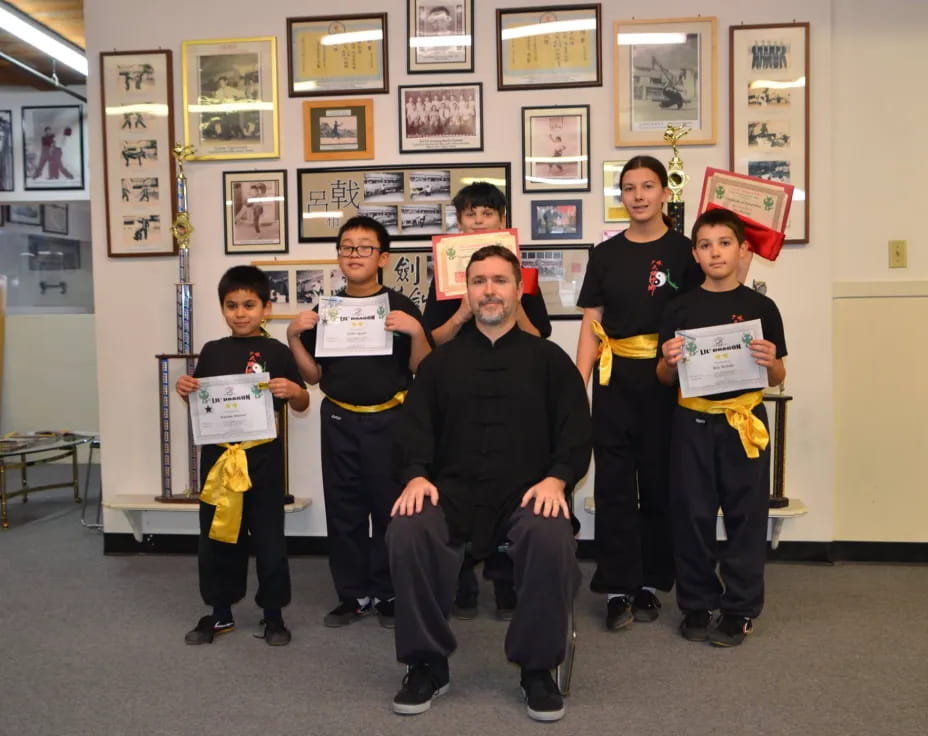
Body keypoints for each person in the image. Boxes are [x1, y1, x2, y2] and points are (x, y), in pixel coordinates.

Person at [387, 245, 591, 722]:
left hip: (527, 493)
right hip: (451, 493)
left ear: (518, 290)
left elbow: (576, 432)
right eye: (479, 281)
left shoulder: (550, 360)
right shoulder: (438, 364)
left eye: (500, 280)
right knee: (408, 528)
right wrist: (415, 476)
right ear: (468, 292)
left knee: (550, 535)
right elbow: (414, 431)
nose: (490, 290)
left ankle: (537, 668)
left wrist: (557, 480)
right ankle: (426, 664)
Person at [575, 156, 704, 631]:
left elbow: (705, 310)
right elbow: (591, 323)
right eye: (629, 188)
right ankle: (617, 588)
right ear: (621, 197)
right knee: (612, 485)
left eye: (648, 186)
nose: (638, 196)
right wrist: (579, 383)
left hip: (667, 382)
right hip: (614, 381)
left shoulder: (685, 251)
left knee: (658, 484)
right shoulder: (605, 254)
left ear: (665, 193)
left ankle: (650, 582)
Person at [287, 216, 431, 629]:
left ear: (382, 258)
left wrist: (416, 333)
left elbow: (422, 369)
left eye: (365, 247)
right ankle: (353, 595)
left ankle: (388, 592)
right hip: (338, 420)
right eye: (347, 247)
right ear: (339, 256)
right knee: (343, 508)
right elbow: (313, 377)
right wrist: (293, 337)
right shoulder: (325, 310)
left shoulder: (401, 307)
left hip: (391, 421)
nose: (354, 254)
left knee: (390, 508)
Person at [657, 207, 787, 647]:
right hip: (691, 423)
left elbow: (777, 375)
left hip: (743, 422)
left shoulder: (760, 307)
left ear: (742, 250)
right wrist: (669, 362)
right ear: (695, 254)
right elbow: (663, 377)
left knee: (746, 516)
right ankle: (696, 603)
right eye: (705, 245)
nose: (715, 252)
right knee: (691, 515)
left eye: (725, 243)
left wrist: (771, 362)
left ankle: (740, 609)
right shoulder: (679, 307)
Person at [422, 181, 551, 621]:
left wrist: (514, 300)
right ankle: (460, 581)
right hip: (460, 392)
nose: (478, 221)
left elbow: (539, 339)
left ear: (502, 221)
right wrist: (464, 309)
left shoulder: (522, 276)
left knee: (510, 482)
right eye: (470, 214)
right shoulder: (445, 273)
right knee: (457, 482)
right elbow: (433, 342)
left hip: (513, 393)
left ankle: (505, 580)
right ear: (458, 222)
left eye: (487, 214)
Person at [176, 265, 309, 647]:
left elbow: (302, 402)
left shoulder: (277, 352)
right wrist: (187, 390)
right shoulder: (212, 351)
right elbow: (203, 403)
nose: (239, 313)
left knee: (269, 540)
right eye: (231, 305)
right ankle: (220, 612)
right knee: (218, 538)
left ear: (266, 308)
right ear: (222, 308)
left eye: (249, 305)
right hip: (219, 463)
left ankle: (273, 615)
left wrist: (292, 391)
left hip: (263, 461)